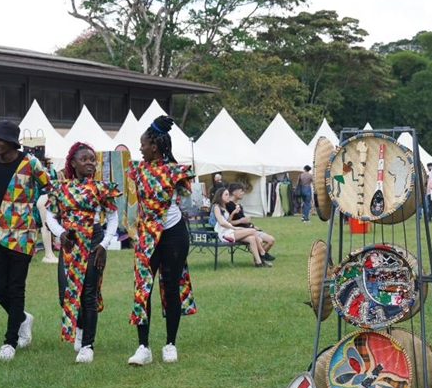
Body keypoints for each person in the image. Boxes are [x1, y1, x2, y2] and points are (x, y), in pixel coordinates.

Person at [0, 120, 50, 362]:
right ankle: (22, 319)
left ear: (12, 142)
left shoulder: (31, 163)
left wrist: (41, 212)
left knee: (16, 288)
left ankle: (10, 342)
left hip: (23, 235)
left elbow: (50, 188)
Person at [127, 115, 197, 366]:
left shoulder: (173, 171)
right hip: (147, 234)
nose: (140, 148)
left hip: (174, 233)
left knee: (171, 286)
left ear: (154, 147)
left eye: (143, 144)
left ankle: (170, 344)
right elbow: (115, 168)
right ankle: (143, 347)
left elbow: (189, 193)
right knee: (142, 288)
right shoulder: (137, 169)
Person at [45, 142, 121, 363]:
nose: (89, 162)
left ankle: (88, 345)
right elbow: (50, 215)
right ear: (73, 163)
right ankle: (78, 327)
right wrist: (60, 233)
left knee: (88, 293)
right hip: (70, 242)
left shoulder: (101, 188)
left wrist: (105, 244)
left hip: (94, 241)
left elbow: (113, 217)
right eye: (84, 159)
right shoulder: (61, 188)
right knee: (65, 293)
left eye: (92, 159)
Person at [212, 188, 272, 268]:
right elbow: (221, 222)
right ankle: (262, 252)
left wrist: (233, 213)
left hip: (230, 230)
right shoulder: (216, 207)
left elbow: (228, 220)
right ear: (220, 196)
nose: (228, 196)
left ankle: (258, 262)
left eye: (228, 194)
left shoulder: (224, 207)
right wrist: (234, 228)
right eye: (226, 195)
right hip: (225, 233)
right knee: (253, 231)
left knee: (252, 238)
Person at [225, 182, 276, 261]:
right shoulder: (228, 205)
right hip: (240, 231)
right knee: (259, 240)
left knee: (271, 240)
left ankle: (259, 257)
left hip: (249, 229)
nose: (243, 193)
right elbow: (227, 223)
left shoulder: (239, 206)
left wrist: (252, 225)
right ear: (234, 192)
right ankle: (259, 258)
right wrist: (240, 220)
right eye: (241, 191)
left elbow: (244, 221)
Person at [37, 157, 60, 264]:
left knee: (47, 227)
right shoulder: (42, 171)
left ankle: (49, 253)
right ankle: (48, 254)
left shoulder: (47, 171)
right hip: (43, 198)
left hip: (45, 197)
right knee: (45, 226)